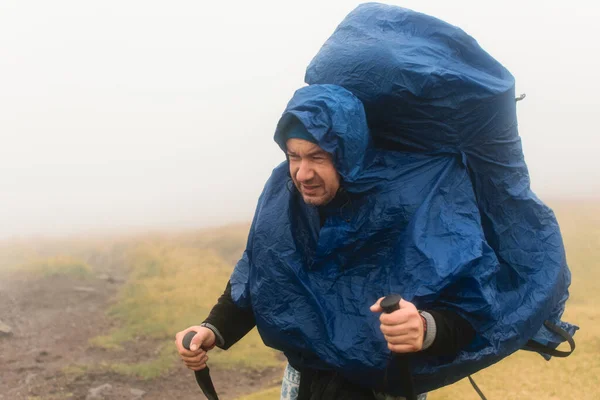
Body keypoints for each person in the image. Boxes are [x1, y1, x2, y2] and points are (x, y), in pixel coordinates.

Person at [176, 4, 576, 399]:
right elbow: (265, 272)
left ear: (348, 153)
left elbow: (472, 305)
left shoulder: (415, 199)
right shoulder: (284, 195)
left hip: (383, 390)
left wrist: (424, 326)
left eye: (317, 157)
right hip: (301, 384)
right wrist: (213, 329)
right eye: (294, 156)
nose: (302, 173)